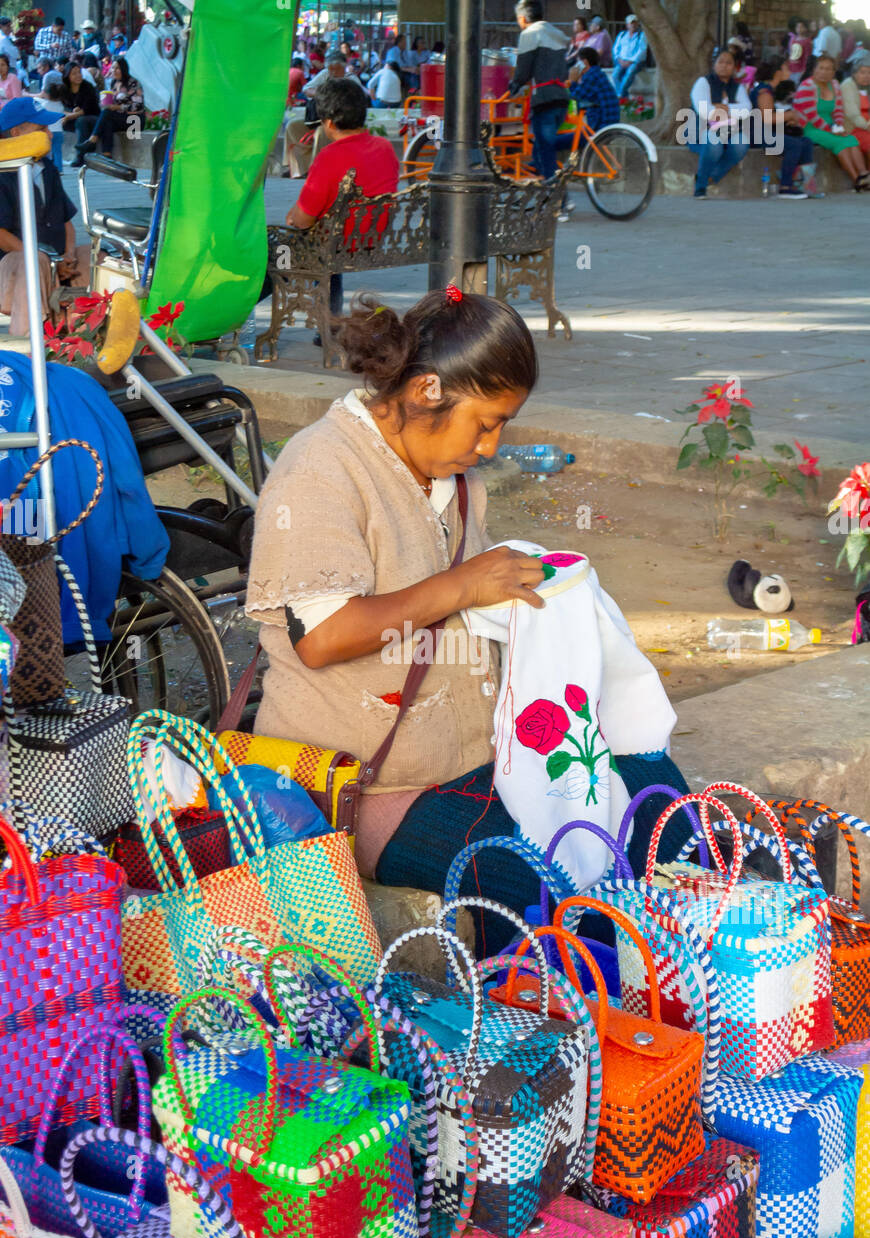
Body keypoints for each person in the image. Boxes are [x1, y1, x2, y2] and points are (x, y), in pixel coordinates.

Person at [245, 288, 690, 953]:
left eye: (503, 425)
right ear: (426, 391)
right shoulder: (320, 470)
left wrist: (546, 598)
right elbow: (325, 636)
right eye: (485, 423)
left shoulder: (450, 479)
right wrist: (462, 585)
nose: (491, 446)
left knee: (660, 812)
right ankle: (580, 1041)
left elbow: (470, 601)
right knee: (539, 885)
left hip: (473, 761)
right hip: (365, 786)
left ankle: (698, 997)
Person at [284, 78, 398, 323]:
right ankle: (330, 320)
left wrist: (293, 215)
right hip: (372, 238)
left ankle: (234, 316)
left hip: (338, 244)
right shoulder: (385, 147)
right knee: (327, 239)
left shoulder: (330, 157)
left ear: (328, 122)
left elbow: (302, 220)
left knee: (278, 251)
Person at [0, 97, 89, 334]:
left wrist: (68, 255)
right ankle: (28, 340)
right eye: (42, 129)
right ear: (16, 132)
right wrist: (51, 261)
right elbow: (1, 235)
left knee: (92, 255)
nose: (49, 135)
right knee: (34, 261)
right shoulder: (2, 172)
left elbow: (66, 221)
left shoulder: (46, 168)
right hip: (13, 260)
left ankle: (83, 332)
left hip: (54, 255)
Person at [508, 0, 571, 181]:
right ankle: (539, 191)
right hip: (561, 98)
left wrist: (514, 85)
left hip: (544, 100)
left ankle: (559, 198)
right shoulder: (557, 33)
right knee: (540, 148)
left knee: (545, 151)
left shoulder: (530, 33)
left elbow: (523, 70)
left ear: (522, 18)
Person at [794, 53, 870, 189]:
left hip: (832, 126)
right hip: (810, 128)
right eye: (821, 68)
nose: (824, 72)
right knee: (840, 142)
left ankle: (864, 175)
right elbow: (813, 117)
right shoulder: (806, 86)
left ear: (834, 72)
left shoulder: (834, 85)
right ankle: (856, 179)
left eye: (829, 69)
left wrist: (839, 126)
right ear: (814, 70)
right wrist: (833, 131)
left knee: (851, 140)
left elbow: (838, 110)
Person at [689, 47, 751, 198]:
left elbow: (747, 109)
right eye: (721, 62)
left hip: (729, 131)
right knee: (714, 143)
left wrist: (724, 107)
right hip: (701, 131)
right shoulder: (703, 83)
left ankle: (712, 176)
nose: (724, 65)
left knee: (741, 143)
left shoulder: (737, 87)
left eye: (729, 63)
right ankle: (700, 186)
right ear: (714, 64)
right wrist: (731, 110)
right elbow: (704, 111)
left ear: (734, 67)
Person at [750, 57, 813, 196]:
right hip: (758, 135)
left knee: (806, 142)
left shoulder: (771, 90)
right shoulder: (764, 92)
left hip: (769, 132)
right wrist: (789, 115)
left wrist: (787, 119)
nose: (790, 71)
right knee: (794, 145)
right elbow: (766, 118)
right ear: (777, 72)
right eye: (786, 68)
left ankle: (805, 185)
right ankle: (785, 186)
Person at [79, 56, 144, 155]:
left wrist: (117, 107)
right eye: (113, 68)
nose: (114, 71)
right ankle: (107, 154)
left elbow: (138, 106)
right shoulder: (114, 83)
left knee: (107, 114)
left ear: (123, 69)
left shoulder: (133, 83)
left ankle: (92, 140)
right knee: (107, 121)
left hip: (134, 119)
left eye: (117, 68)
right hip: (120, 117)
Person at [60, 58, 100, 166]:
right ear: (68, 76)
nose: (78, 76)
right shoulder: (63, 89)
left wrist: (69, 116)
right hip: (73, 117)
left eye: (79, 72)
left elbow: (86, 110)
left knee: (81, 121)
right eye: (74, 74)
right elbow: (60, 108)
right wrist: (69, 114)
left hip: (92, 118)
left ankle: (80, 156)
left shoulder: (88, 87)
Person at [569, 47, 619, 132]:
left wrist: (572, 81)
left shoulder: (591, 76)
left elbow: (575, 97)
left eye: (578, 61)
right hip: (608, 122)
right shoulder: (597, 73)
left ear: (584, 62)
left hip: (601, 125)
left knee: (560, 141)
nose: (576, 65)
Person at [840, 48, 870, 158]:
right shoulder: (847, 85)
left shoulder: (867, 87)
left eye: (869, 73)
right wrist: (867, 127)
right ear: (854, 73)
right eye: (862, 72)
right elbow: (853, 115)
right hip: (853, 128)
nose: (867, 76)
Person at [611, 13, 647, 99]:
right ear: (627, 25)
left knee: (630, 72)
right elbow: (615, 48)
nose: (633, 25)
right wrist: (619, 59)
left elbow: (642, 51)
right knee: (615, 75)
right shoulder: (622, 35)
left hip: (635, 62)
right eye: (631, 23)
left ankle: (619, 95)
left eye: (635, 23)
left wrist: (630, 61)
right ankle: (624, 96)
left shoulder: (641, 35)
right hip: (621, 60)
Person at [37, 69, 65, 171]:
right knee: (57, 151)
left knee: (48, 151)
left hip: (48, 132)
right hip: (59, 132)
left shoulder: (44, 105)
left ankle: (48, 168)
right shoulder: (60, 105)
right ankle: (59, 168)